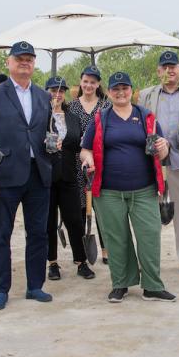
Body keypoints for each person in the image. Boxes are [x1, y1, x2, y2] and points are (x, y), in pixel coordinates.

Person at [80, 71, 174, 302]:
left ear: (132, 90)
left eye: (125, 88)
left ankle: (152, 286)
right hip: (109, 192)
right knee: (116, 238)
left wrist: (164, 146)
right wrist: (87, 159)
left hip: (144, 190)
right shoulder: (101, 118)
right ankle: (120, 283)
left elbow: (162, 151)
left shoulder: (146, 116)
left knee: (149, 236)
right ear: (109, 92)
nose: (120, 92)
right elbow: (86, 148)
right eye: (115, 88)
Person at [0, 41, 53, 311]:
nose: (25, 63)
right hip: (5, 175)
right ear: (8, 62)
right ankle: (1, 289)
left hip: (38, 174)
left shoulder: (44, 97)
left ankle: (35, 286)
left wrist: (55, 145)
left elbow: (48, 133)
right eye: (20, 59)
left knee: (38, 234)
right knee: (1, 235)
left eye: (30, 59)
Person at [137, 50, 179, 274]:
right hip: (152, 159)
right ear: (158, 72)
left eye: (173, 66)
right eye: (165, 67)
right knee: (148, 211)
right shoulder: (145, 95)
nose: (170, 70)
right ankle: (148, 259)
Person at [44, 75, 93, 281]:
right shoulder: (41, 116)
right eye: (53, 90)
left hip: (69, 175)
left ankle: (81, 261)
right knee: (48, 221)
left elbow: (79, 144)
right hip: (45, 176)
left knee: (75, 219)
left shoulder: (71, 117)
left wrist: (85, 158)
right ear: (46, 92)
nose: (57, 94)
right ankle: (52, 263)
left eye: (61, 91)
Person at [68, 64, 109, 262]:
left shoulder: (106, 105)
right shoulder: (72, 106)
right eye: (85, 81)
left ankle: (105, 249)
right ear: (81, 82)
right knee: (81, 208)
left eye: (93, 82)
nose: (89, 85)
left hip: (100, 163)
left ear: (98, 83)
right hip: (77, 164)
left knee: (102, 208)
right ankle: (83, 250)